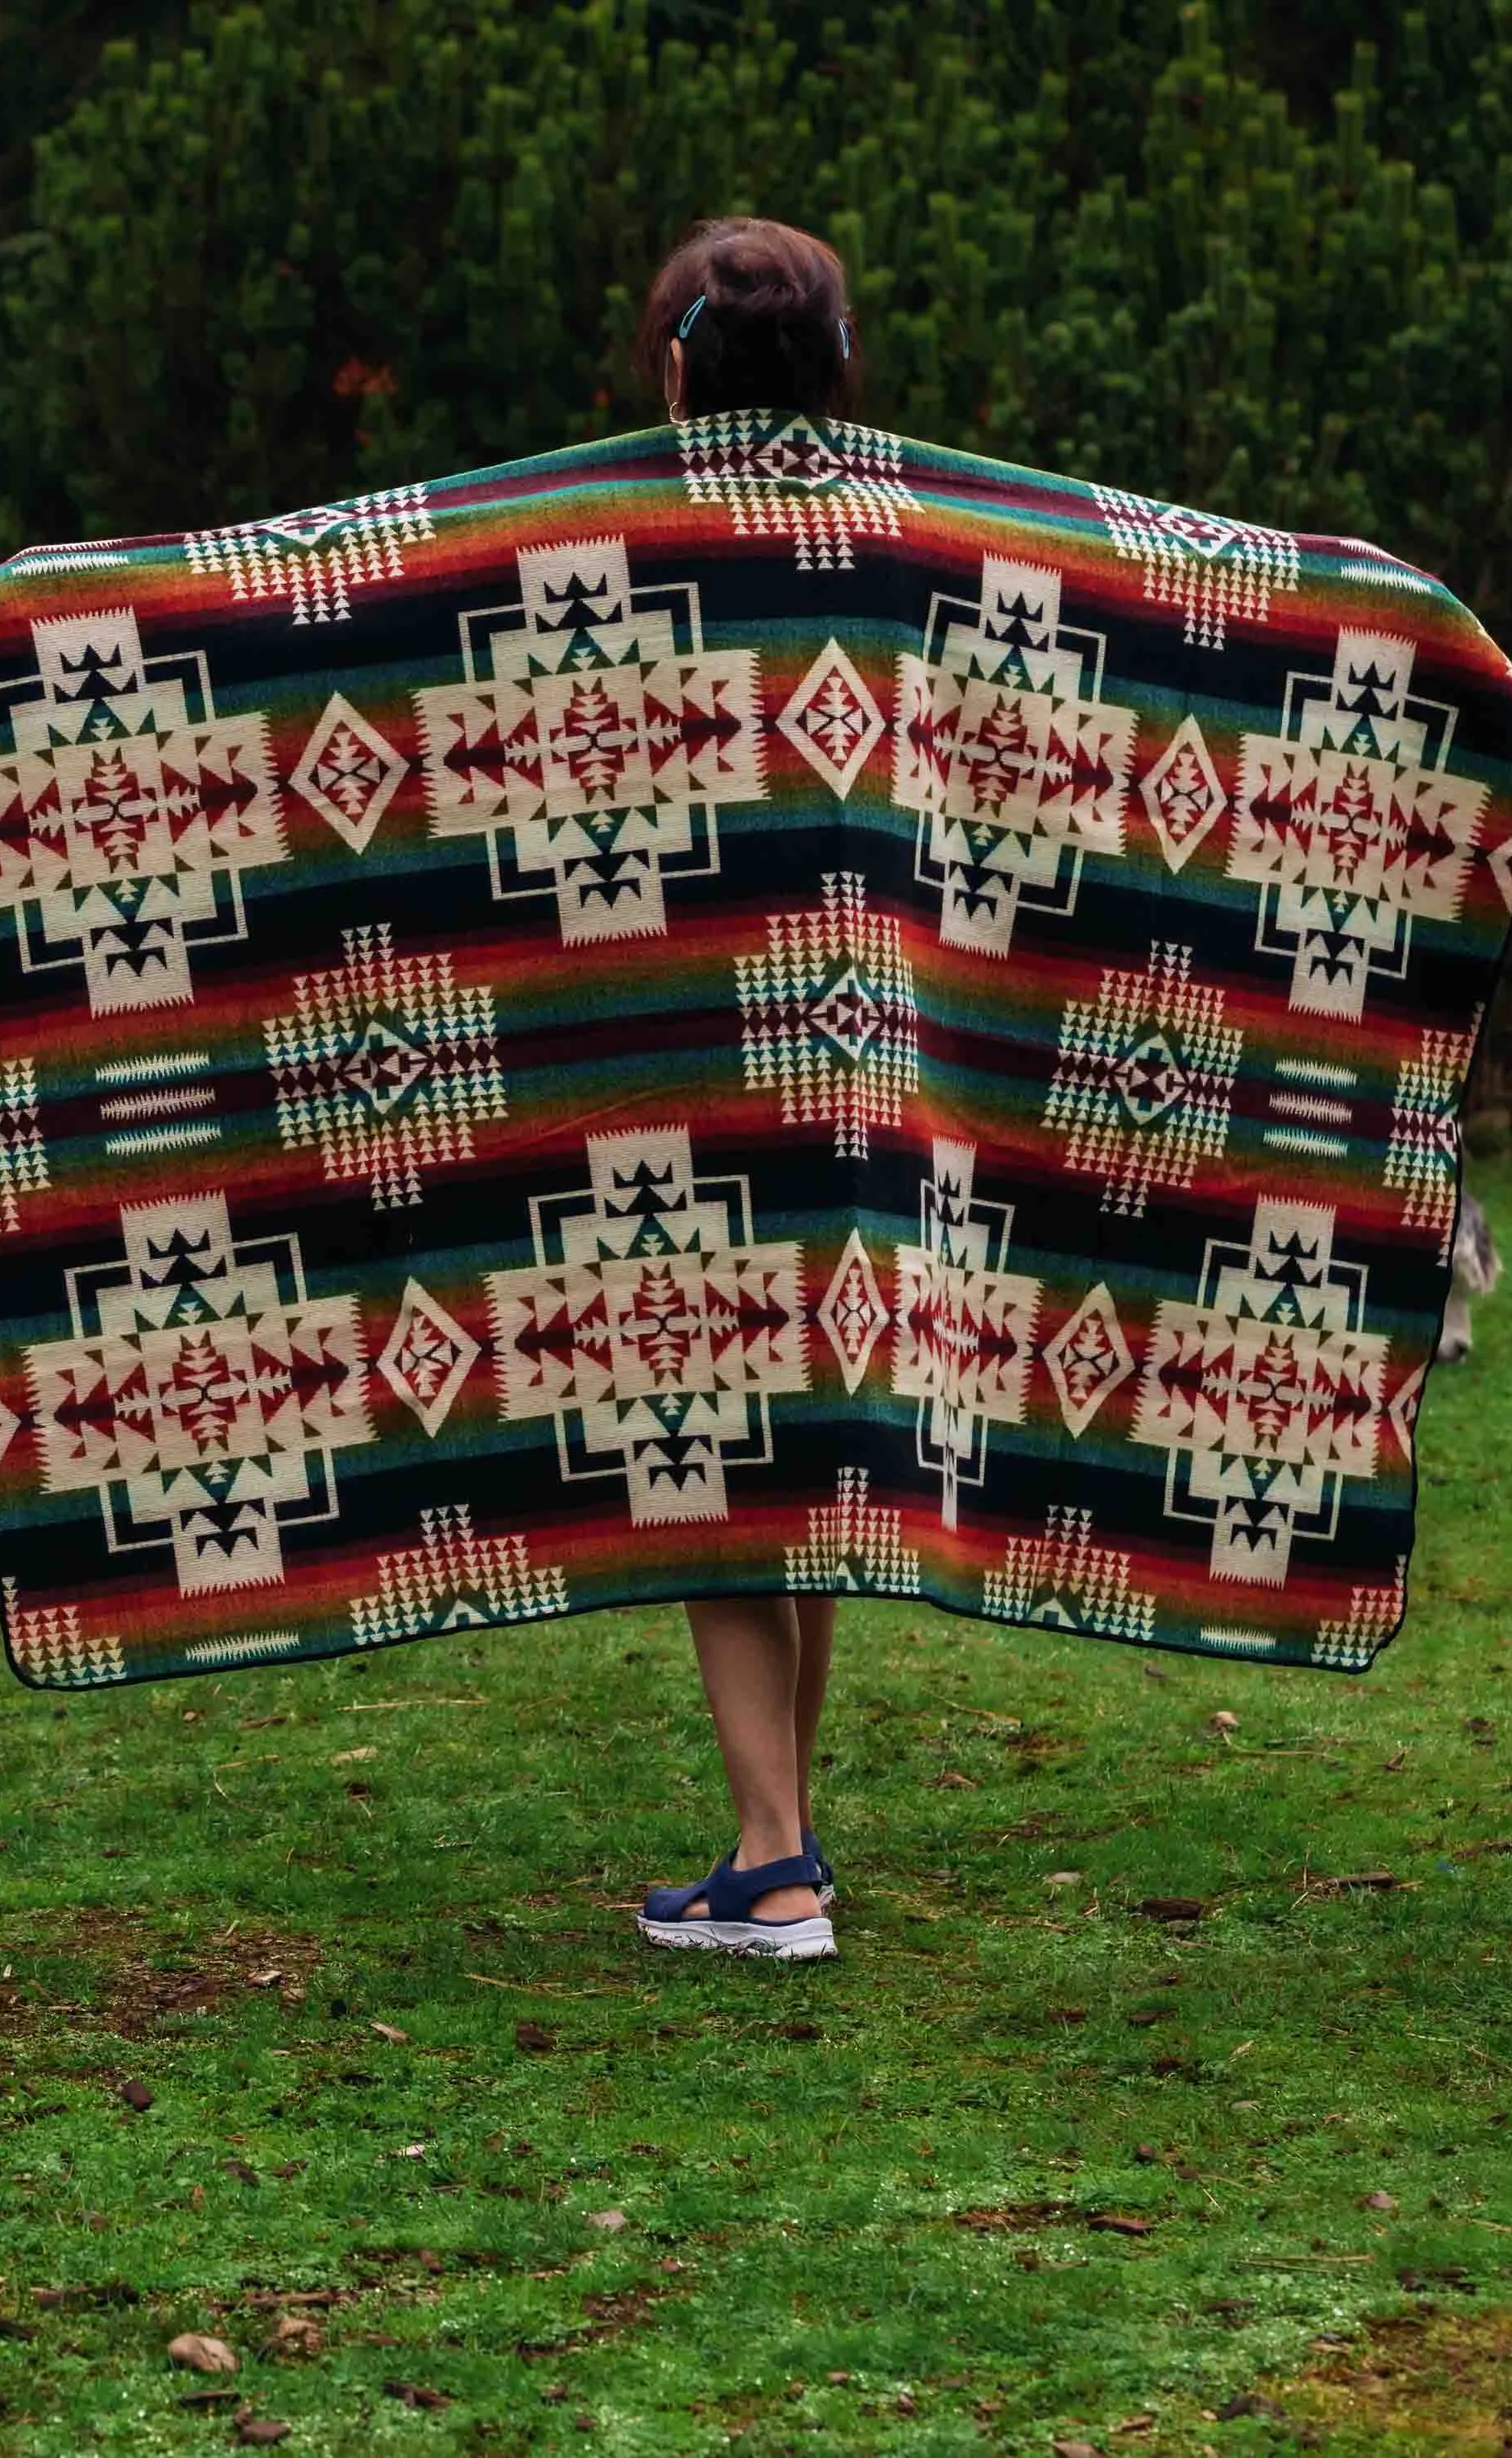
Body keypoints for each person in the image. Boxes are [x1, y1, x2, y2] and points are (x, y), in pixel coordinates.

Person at [627, 218, 862, 1962]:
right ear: (841, 369)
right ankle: (787, 1821)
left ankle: (770, 1859)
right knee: (820, 1446)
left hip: (686, 1059)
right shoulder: (917, 540)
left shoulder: (606, 543)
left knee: (716, 1452)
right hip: (864, 1071)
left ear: (676, 368)